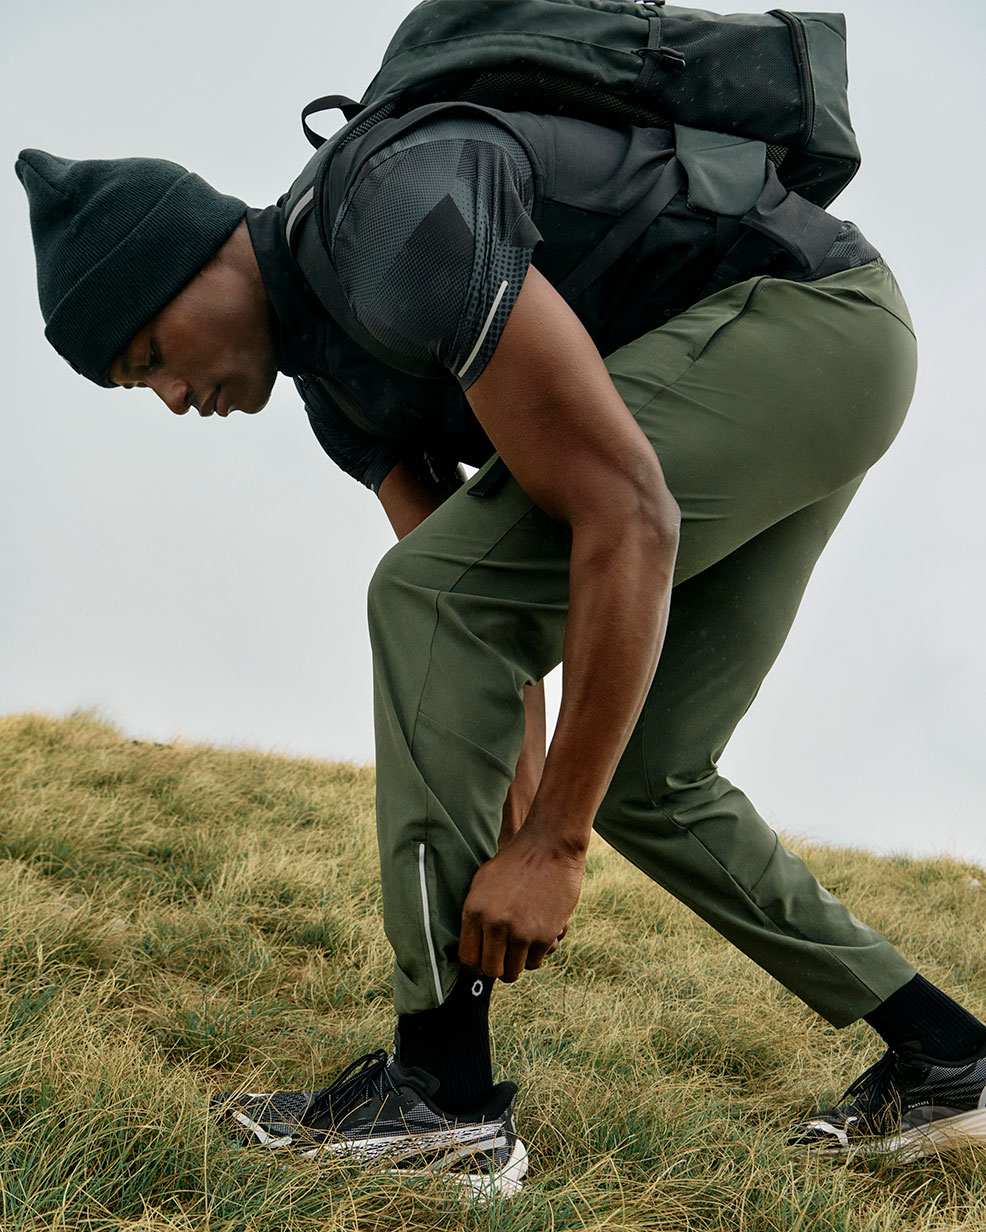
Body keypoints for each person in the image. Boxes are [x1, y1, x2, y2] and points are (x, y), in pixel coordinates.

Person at [15, 69, 986, 1197]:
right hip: (826, 357)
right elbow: (488, 623)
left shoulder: (386, 219)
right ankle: (945, 1053)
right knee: (650, 772)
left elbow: (606, 517)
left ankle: (441, 1094)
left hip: (799, 324)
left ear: (193, 260)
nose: (173, 397)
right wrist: (515, 818)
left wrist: (553, 846)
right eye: (142, 389)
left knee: (417, 599)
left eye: (148, 357)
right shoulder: (337, 388)